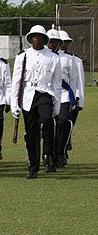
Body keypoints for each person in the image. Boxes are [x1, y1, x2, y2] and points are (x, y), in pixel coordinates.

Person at [11, 25, 61, 179]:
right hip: (28, 96)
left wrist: (57, 104)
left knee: (47, 120)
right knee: (31, 133)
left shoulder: (53, 57)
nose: (37, 39)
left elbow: (56, 83)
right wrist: (14, 103)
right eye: (34, 36)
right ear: (31, 38)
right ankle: (33, 166)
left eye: (40, 36)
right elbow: (16, 81)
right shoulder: (23, 56)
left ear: (44, 39)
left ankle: (48, 153)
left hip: (45, 93)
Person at [45, 26, 77, 168]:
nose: (52, 44)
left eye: (55, 41)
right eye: (50, 41)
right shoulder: (43, 56)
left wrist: (74, 99)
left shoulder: (69, 59)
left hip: (63, 95)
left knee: (62, 122)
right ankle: (48, 154)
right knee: (48, 125)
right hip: (48, 95)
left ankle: (60, 152)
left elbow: (73, 80)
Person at [59, 29, 84, 153]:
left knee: (66, 123)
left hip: (69, 96)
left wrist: (80, 100)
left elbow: (79, 81)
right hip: (52, 96)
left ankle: (63, 149)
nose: (64, 44)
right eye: (61, 41)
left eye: (66, 42)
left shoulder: (74, 59)